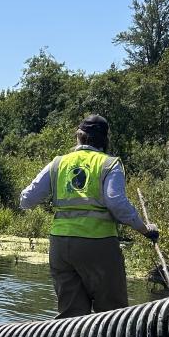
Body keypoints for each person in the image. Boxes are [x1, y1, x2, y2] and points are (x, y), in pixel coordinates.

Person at [19, 114, 159, 318]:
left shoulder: (58, 163)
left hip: (61, 247)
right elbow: (117, 203)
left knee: (70, 317)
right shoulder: (109, 164)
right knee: (112, 315)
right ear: (104, 140)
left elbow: (26, 199)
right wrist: (145, 229)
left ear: (79, 136)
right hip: (98, 246)